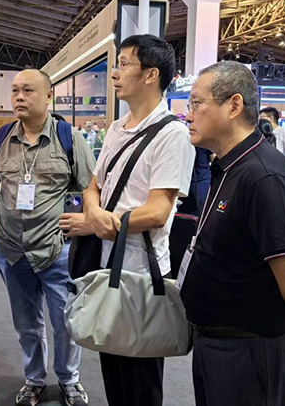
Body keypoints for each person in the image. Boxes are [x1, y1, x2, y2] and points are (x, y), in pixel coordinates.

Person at [181, 61, 285, 406]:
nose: (188, 115)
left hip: (249, 353)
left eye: (196, 103)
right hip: (215, 345)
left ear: (234, 105)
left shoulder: (266, 177)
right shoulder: (228, 166)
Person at [63, 35, 195, 406]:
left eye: (123, 64)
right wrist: (95, 214)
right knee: (114, 371)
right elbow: (93, 186)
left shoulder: (172, 134)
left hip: (142, 273)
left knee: (140, 381)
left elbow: (157, 212)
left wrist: (99, 222)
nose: (115, 73)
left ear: (151, 74)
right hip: (108, 267)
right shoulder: (117, 128)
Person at [0, 69, 95, 406]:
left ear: (48, 96)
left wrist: (81, 220)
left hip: (57, 250)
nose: (19, 97)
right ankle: (34, 380)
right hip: (12, 250)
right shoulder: (1, 138)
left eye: (28, 90)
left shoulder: (69, 138)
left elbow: (88, 187)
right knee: (26, 323)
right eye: (15, 90)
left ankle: (69, 379)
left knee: (65, 322)